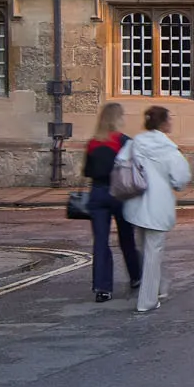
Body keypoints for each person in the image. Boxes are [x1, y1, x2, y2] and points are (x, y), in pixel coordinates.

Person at [117, 104, 191, 314]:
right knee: (153, 252)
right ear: (164, 122)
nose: (171, 123)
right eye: (169, 119)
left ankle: (159, 287)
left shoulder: (135, 142)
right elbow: (180, 178)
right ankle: (147, 301)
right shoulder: (169, 149)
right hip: (158, 206)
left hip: (136, 203)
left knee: (146, 247)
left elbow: (121, 162)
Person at [81, 103, 142, 302]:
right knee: (127, 238)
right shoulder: (123, 141)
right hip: (119, 194)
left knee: (100, 242)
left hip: (97, 194)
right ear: (117, 118)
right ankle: (136, 277)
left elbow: (87, 172)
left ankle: (102, 288)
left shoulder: (92, 143)